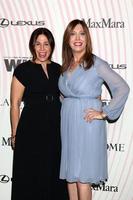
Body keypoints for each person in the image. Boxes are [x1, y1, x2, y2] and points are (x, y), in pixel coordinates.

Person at [58, 19, 130, 200]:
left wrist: (104, 112)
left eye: (82, 33)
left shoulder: (96, 63)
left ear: (87, 38)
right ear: (67, 39)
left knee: (83, 178)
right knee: (71, 177)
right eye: (73, 34)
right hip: (69, 125)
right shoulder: (66, 65)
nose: (77, 38)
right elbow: (66, 94)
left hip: (86, 123)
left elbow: (122, 88)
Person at [10, 28, 68, 200]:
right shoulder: (22, 69)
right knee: (31, 176)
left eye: (46, 44)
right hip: (30, 129)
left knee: (54, 174)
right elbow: (14, 104)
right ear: (32, 46)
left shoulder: (60, 69)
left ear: (52, 46)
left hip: (55, 129)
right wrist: (15, 134)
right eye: (38, 44)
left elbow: (67, 98)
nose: (42, 49)